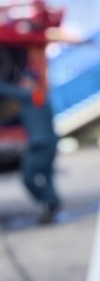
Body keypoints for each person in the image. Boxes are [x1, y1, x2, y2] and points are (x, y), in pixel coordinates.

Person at [0, 44, 61, 223]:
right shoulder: (37, 96)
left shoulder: (33, 96)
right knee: (47, 176)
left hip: (40, 144)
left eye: (25, 82)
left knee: (28, 177)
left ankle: (50, 202)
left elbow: (10, 91)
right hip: (47, 142)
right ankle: (52, 205)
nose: (22, 84)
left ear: (32, 83)